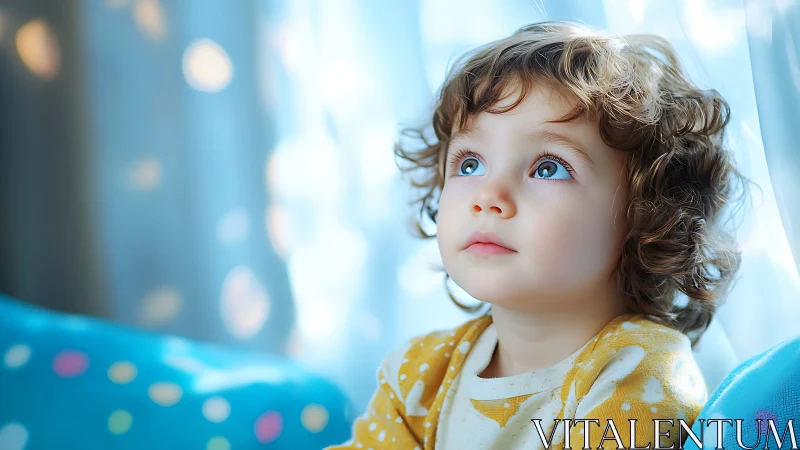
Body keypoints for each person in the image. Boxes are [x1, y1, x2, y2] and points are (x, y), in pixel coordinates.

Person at [327, 20, 746, 449]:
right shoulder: (419, 374)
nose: (488, 196)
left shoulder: (642, 371)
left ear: (647, 218)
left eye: (548, 167)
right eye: (470, 163)